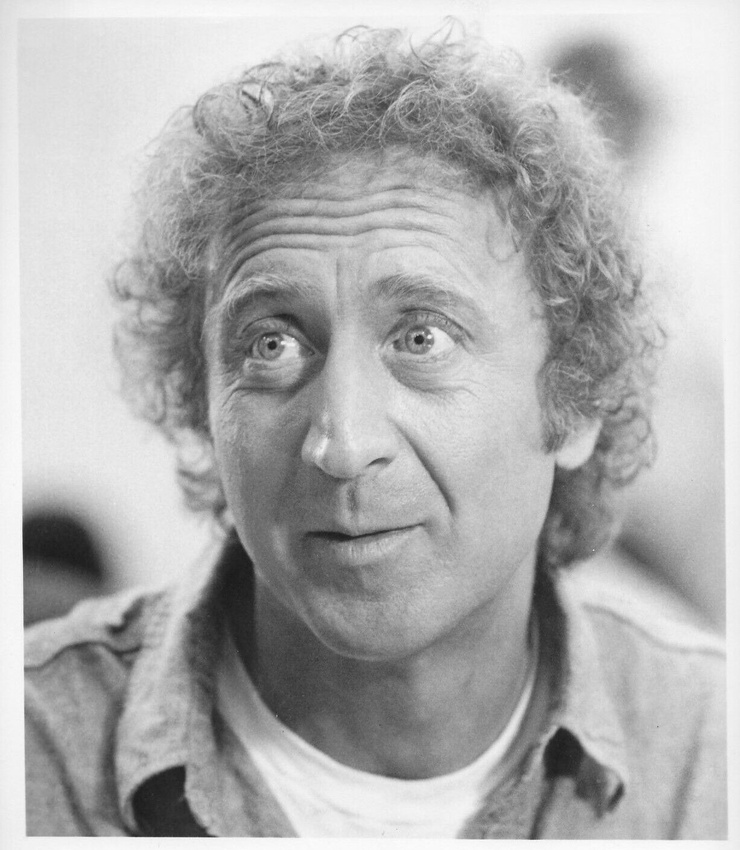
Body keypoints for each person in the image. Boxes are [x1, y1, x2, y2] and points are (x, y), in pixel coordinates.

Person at [24, 24, 726, 838]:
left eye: (422, 338)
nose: (343, 443)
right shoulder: (37, 749)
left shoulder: (707, 757)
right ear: (201, 405)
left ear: (574, 399)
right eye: (270, 345)